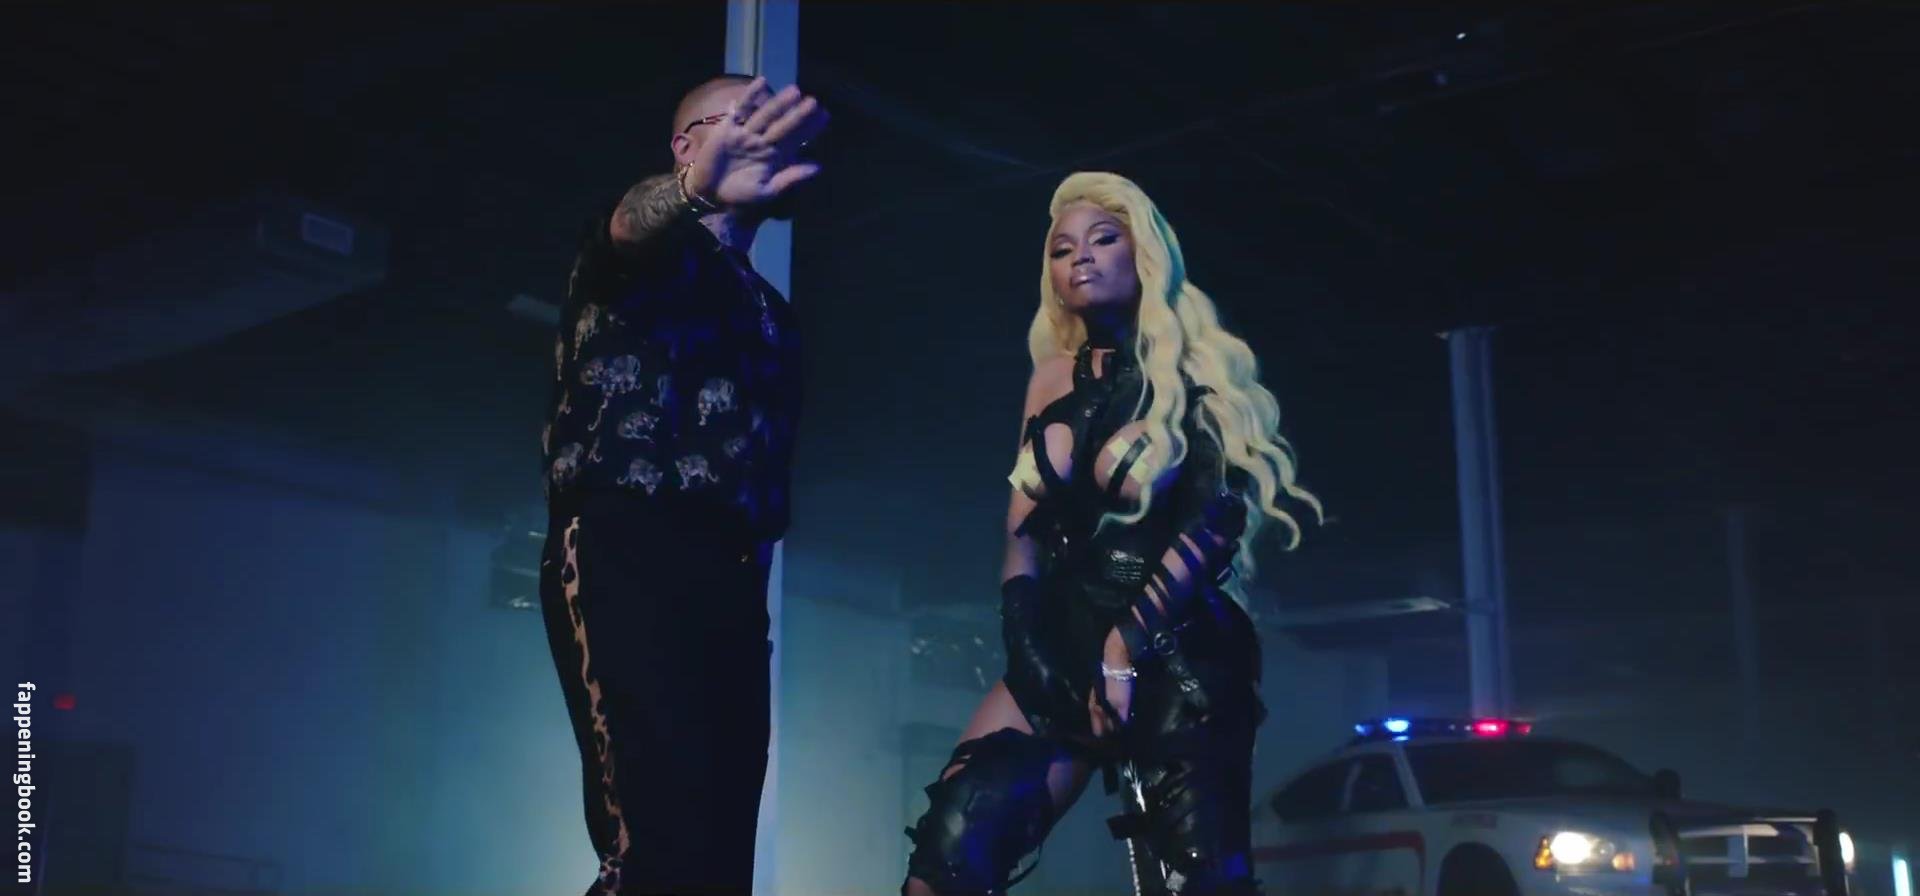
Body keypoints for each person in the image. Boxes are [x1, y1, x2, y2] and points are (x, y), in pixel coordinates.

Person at [901, 172, 1320, 896]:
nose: (1081, 259)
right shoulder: (1048, 378)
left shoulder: (1197, 369)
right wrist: (1025, 641)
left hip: (1175, 642)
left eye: (1102, 239)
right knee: (954, 843)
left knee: (1199, 882)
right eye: (1062, 250)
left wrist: (1123, 651)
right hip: (1066, 630)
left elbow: (1213, 524)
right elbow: (1022, 529)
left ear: (1144, 254)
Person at [538, 73, 826, 895]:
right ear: (686, 145)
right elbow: (627, 227)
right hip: (628, 545)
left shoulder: (773, 311)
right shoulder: (646, 251)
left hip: (730, 583)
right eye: (742, 123)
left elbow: (763, 476)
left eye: (775, 129)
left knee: (716, 862)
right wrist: (694, 191)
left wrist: (750, 597)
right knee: (653, 843)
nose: (763, 140)